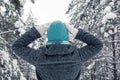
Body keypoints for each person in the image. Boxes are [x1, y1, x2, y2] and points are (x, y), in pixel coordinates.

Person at [12, 20, 103, 80]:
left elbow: (17, 46)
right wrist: (77, 32)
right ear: (67, 36)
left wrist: (37, 31)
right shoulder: (77, 56)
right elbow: (98, 44)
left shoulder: (39, 57)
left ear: (48, 37)